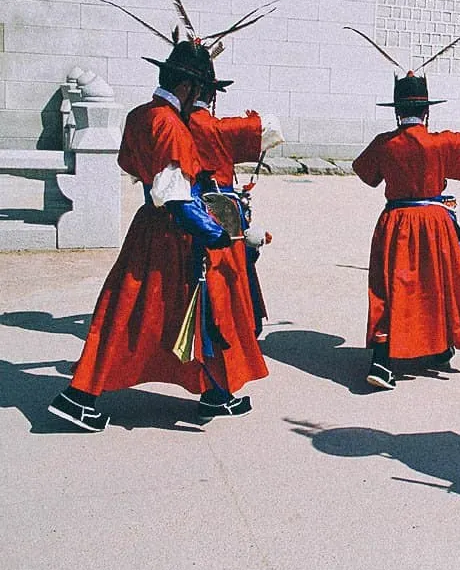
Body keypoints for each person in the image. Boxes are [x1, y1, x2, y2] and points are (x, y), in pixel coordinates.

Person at [48, 42, 267, 431]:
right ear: (188, 87)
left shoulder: (139, 115)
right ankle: (79, 396)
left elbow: (132, 167)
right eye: (203, 91)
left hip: (149, 224)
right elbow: (179, 200)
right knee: (145, 313)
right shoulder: (172, 127)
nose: (204, 99)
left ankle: (215, 393)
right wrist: (217, 234)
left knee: (174, 313)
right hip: (175, 235)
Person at [352, 70, 460, 390]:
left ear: (397, 111)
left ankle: (383, 360)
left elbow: (364, 173)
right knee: (437, 281)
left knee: (390, 285)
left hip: (397, 221)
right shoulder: (440, 142)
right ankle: (440, 345)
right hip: (435, 222)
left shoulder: (384, 144)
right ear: (426, 111)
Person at [188, 79, 285, 336]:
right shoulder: (217, 127)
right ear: (209, 95)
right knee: (228, 265)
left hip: (184, 202)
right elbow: (269, 125)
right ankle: (232, 324)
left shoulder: (176, 122)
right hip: (222, 205)